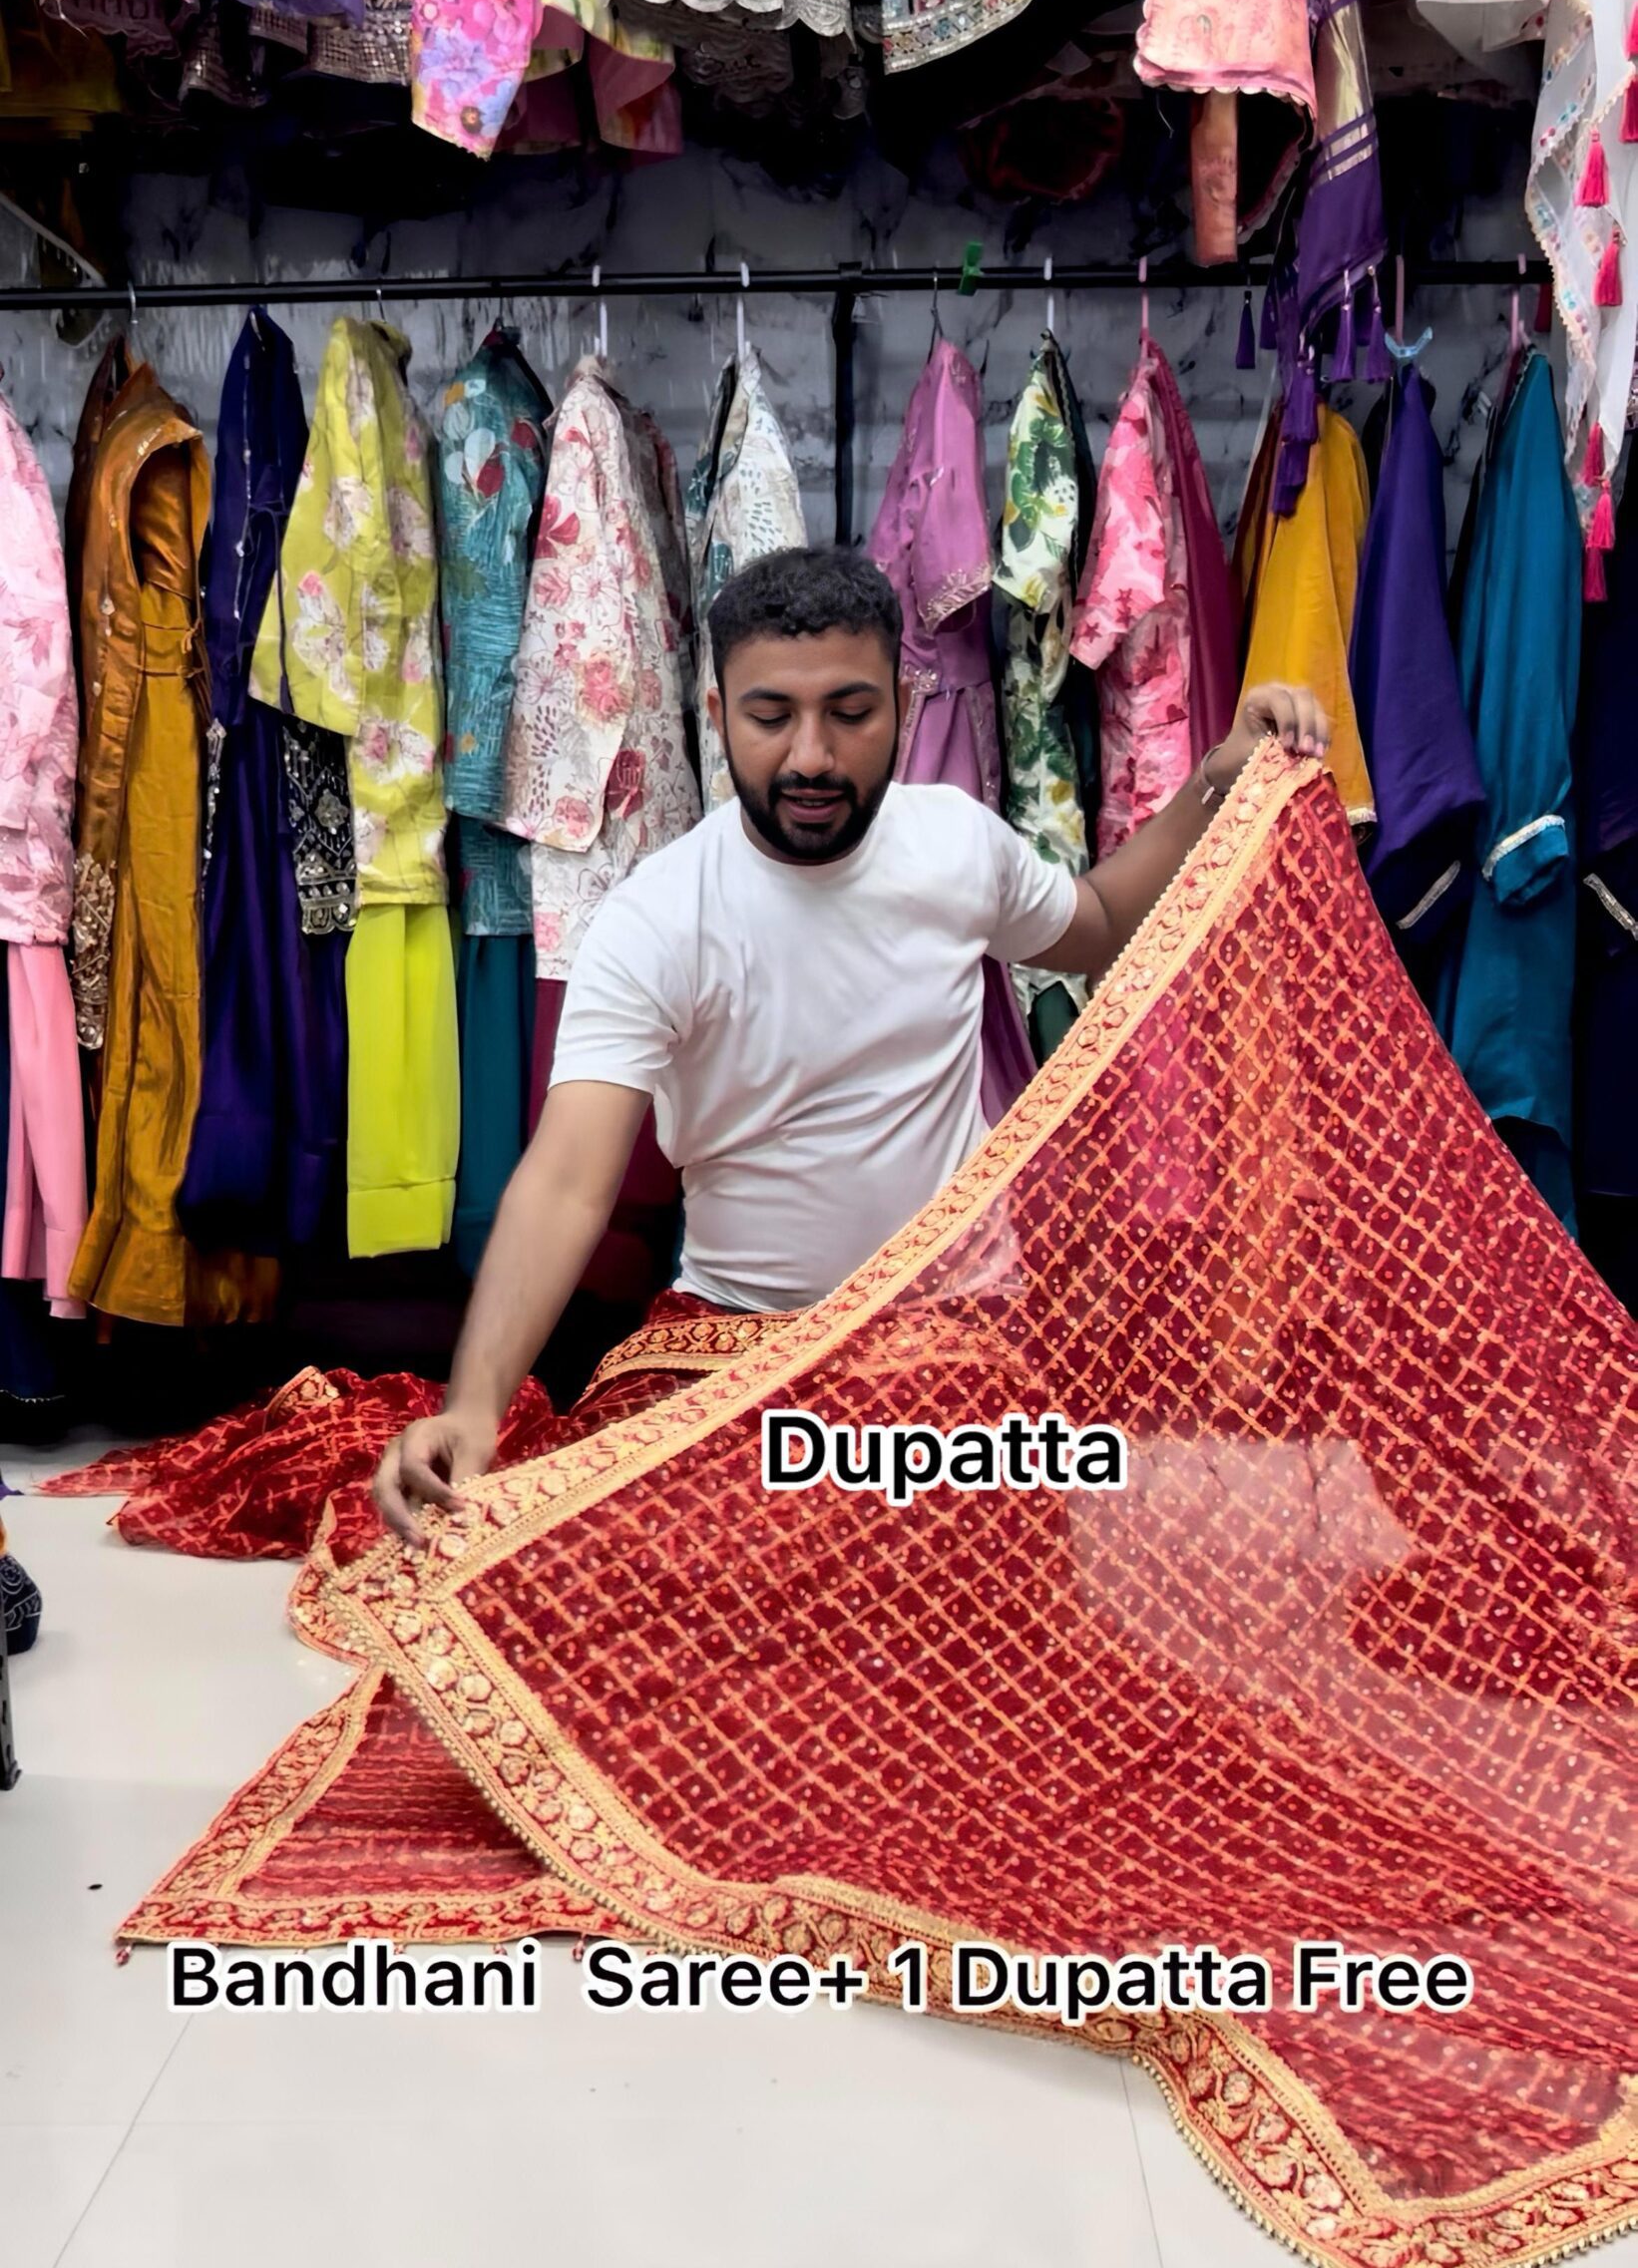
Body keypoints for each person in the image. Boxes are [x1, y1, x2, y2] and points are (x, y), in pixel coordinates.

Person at [374, 546, 1330, 1544]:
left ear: (905, 708)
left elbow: (1092, 924)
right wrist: (474, 1408)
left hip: (955, 1335)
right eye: (771, 716)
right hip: (738, 1340)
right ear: (716, 717)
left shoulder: (956, 844)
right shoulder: (653, 918)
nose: (811, 758)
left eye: (849, 712)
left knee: (972, 1580)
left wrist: (1215, 782)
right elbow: (568, 1180)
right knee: (643, 1573)